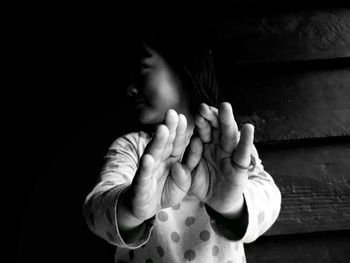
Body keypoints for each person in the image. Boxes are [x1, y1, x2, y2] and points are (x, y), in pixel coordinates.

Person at [83, 22, 281, 263]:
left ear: (184, 67)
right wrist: (131, 208)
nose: (130, 89)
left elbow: (269, 200)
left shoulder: (227, 146)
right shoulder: (132, 147)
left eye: (142, 71)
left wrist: (233, 205)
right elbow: (95, 211)